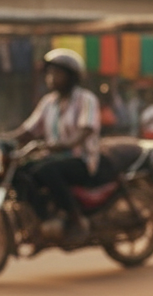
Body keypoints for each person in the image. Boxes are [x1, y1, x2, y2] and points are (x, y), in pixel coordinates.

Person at [10, 49, 111, 244]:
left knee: (47, 170)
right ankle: (43, 217)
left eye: (57, 73)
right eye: (49, 73)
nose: (51, 78)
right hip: (54, 159)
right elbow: (28, 130)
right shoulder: (48, 102)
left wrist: (64, 144)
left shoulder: (85, 99)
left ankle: (76, 219)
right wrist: (6, 139)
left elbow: (86, 129)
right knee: (21, 171)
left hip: (81, 161)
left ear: (71, 77)